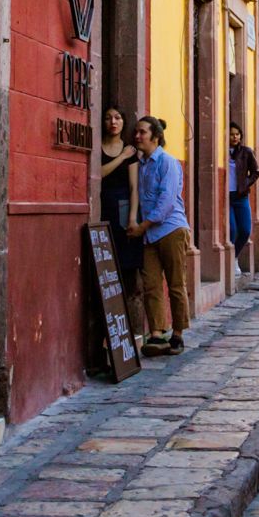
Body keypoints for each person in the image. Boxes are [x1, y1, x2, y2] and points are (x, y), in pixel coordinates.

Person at [127, 116, 190, 356]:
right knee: (151, 284)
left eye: (142, 132)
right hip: (148, 234)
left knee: (176, 284)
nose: (137, 136)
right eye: (137, 132)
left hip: (171, 230)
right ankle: (156, 334)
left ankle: (178, 334)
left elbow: (165, 203)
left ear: (155, 136)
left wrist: (142, 226)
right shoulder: (142, 165)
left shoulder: (168, 163)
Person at [99, 107, 145, 337]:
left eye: (117, 117)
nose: (113, 122)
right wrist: (121, 158)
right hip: (102, 212)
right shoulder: (99, 147)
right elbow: (98, 174)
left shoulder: (132, 152)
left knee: (127, 271)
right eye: (108, 117)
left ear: (123, 122)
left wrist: (132, 217)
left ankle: (132, 331)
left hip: (123, 213)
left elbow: (135, 187)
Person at [227, 121, 259, 274]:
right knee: (232, 230)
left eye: (237, 134)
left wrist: (246, 183)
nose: (234, 137)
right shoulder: (222, 151)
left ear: (240, 136)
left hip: (241, 196)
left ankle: (234, 258)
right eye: (232, 134)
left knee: (245, 230)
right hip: (227, 197)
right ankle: (230, 261)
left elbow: (256, 171)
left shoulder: (246, 152)